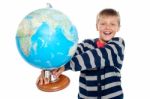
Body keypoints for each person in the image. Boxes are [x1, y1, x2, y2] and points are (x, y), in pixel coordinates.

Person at [37, 8, 125, 99]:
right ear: (97, 26)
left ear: (118, 28)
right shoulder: (86, 44)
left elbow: (98, 56)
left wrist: (66, 66)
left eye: (112, 24)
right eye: (103, 23)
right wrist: (49, 69)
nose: (107, 27)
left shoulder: (118, 44)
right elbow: (68, 54)